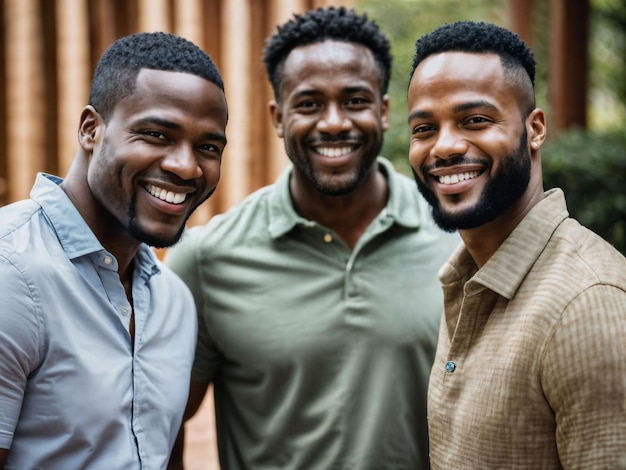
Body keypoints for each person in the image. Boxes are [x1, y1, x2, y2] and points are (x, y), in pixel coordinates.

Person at [166, 6, 459, 470]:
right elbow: (160, 423)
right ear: (278, 117)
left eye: (355, 101)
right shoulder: (204, 259)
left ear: (383, 112)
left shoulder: (459, 241)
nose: (334, 123)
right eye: (309, 104)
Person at [0, 32, 228, 469]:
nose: (187, 166)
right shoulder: (11, 273)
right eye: (157, 134)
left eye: (208, 147)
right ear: (91, 129)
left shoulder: (173, 300)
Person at [407, 20, 626, 469]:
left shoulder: (589, 304)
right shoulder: (467, 278)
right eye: (424, 129)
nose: (444, 147)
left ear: (536, 129)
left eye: (475, 120)